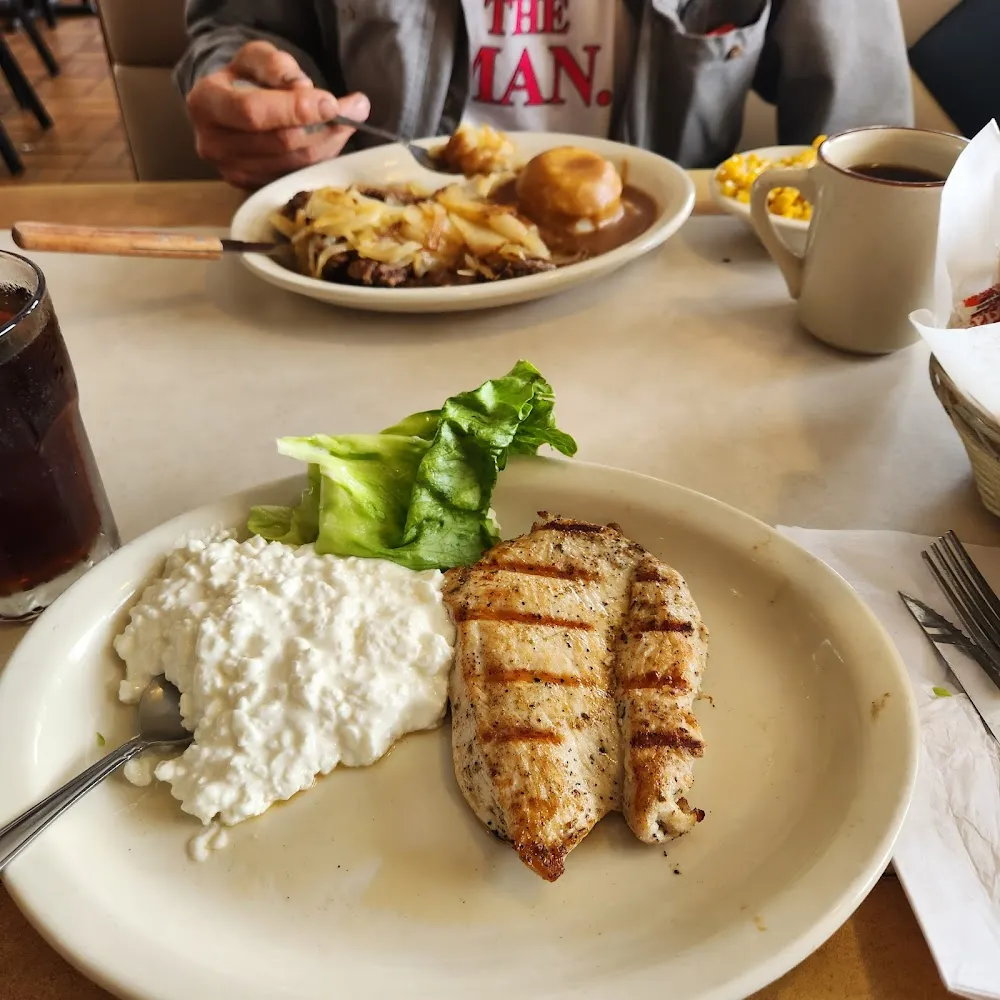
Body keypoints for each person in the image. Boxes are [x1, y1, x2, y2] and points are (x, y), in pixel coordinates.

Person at [177, 0, 913, 190]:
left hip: (659, 302)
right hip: (377, 277)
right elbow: (240, 27)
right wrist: (248, 95)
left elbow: (867, 143)